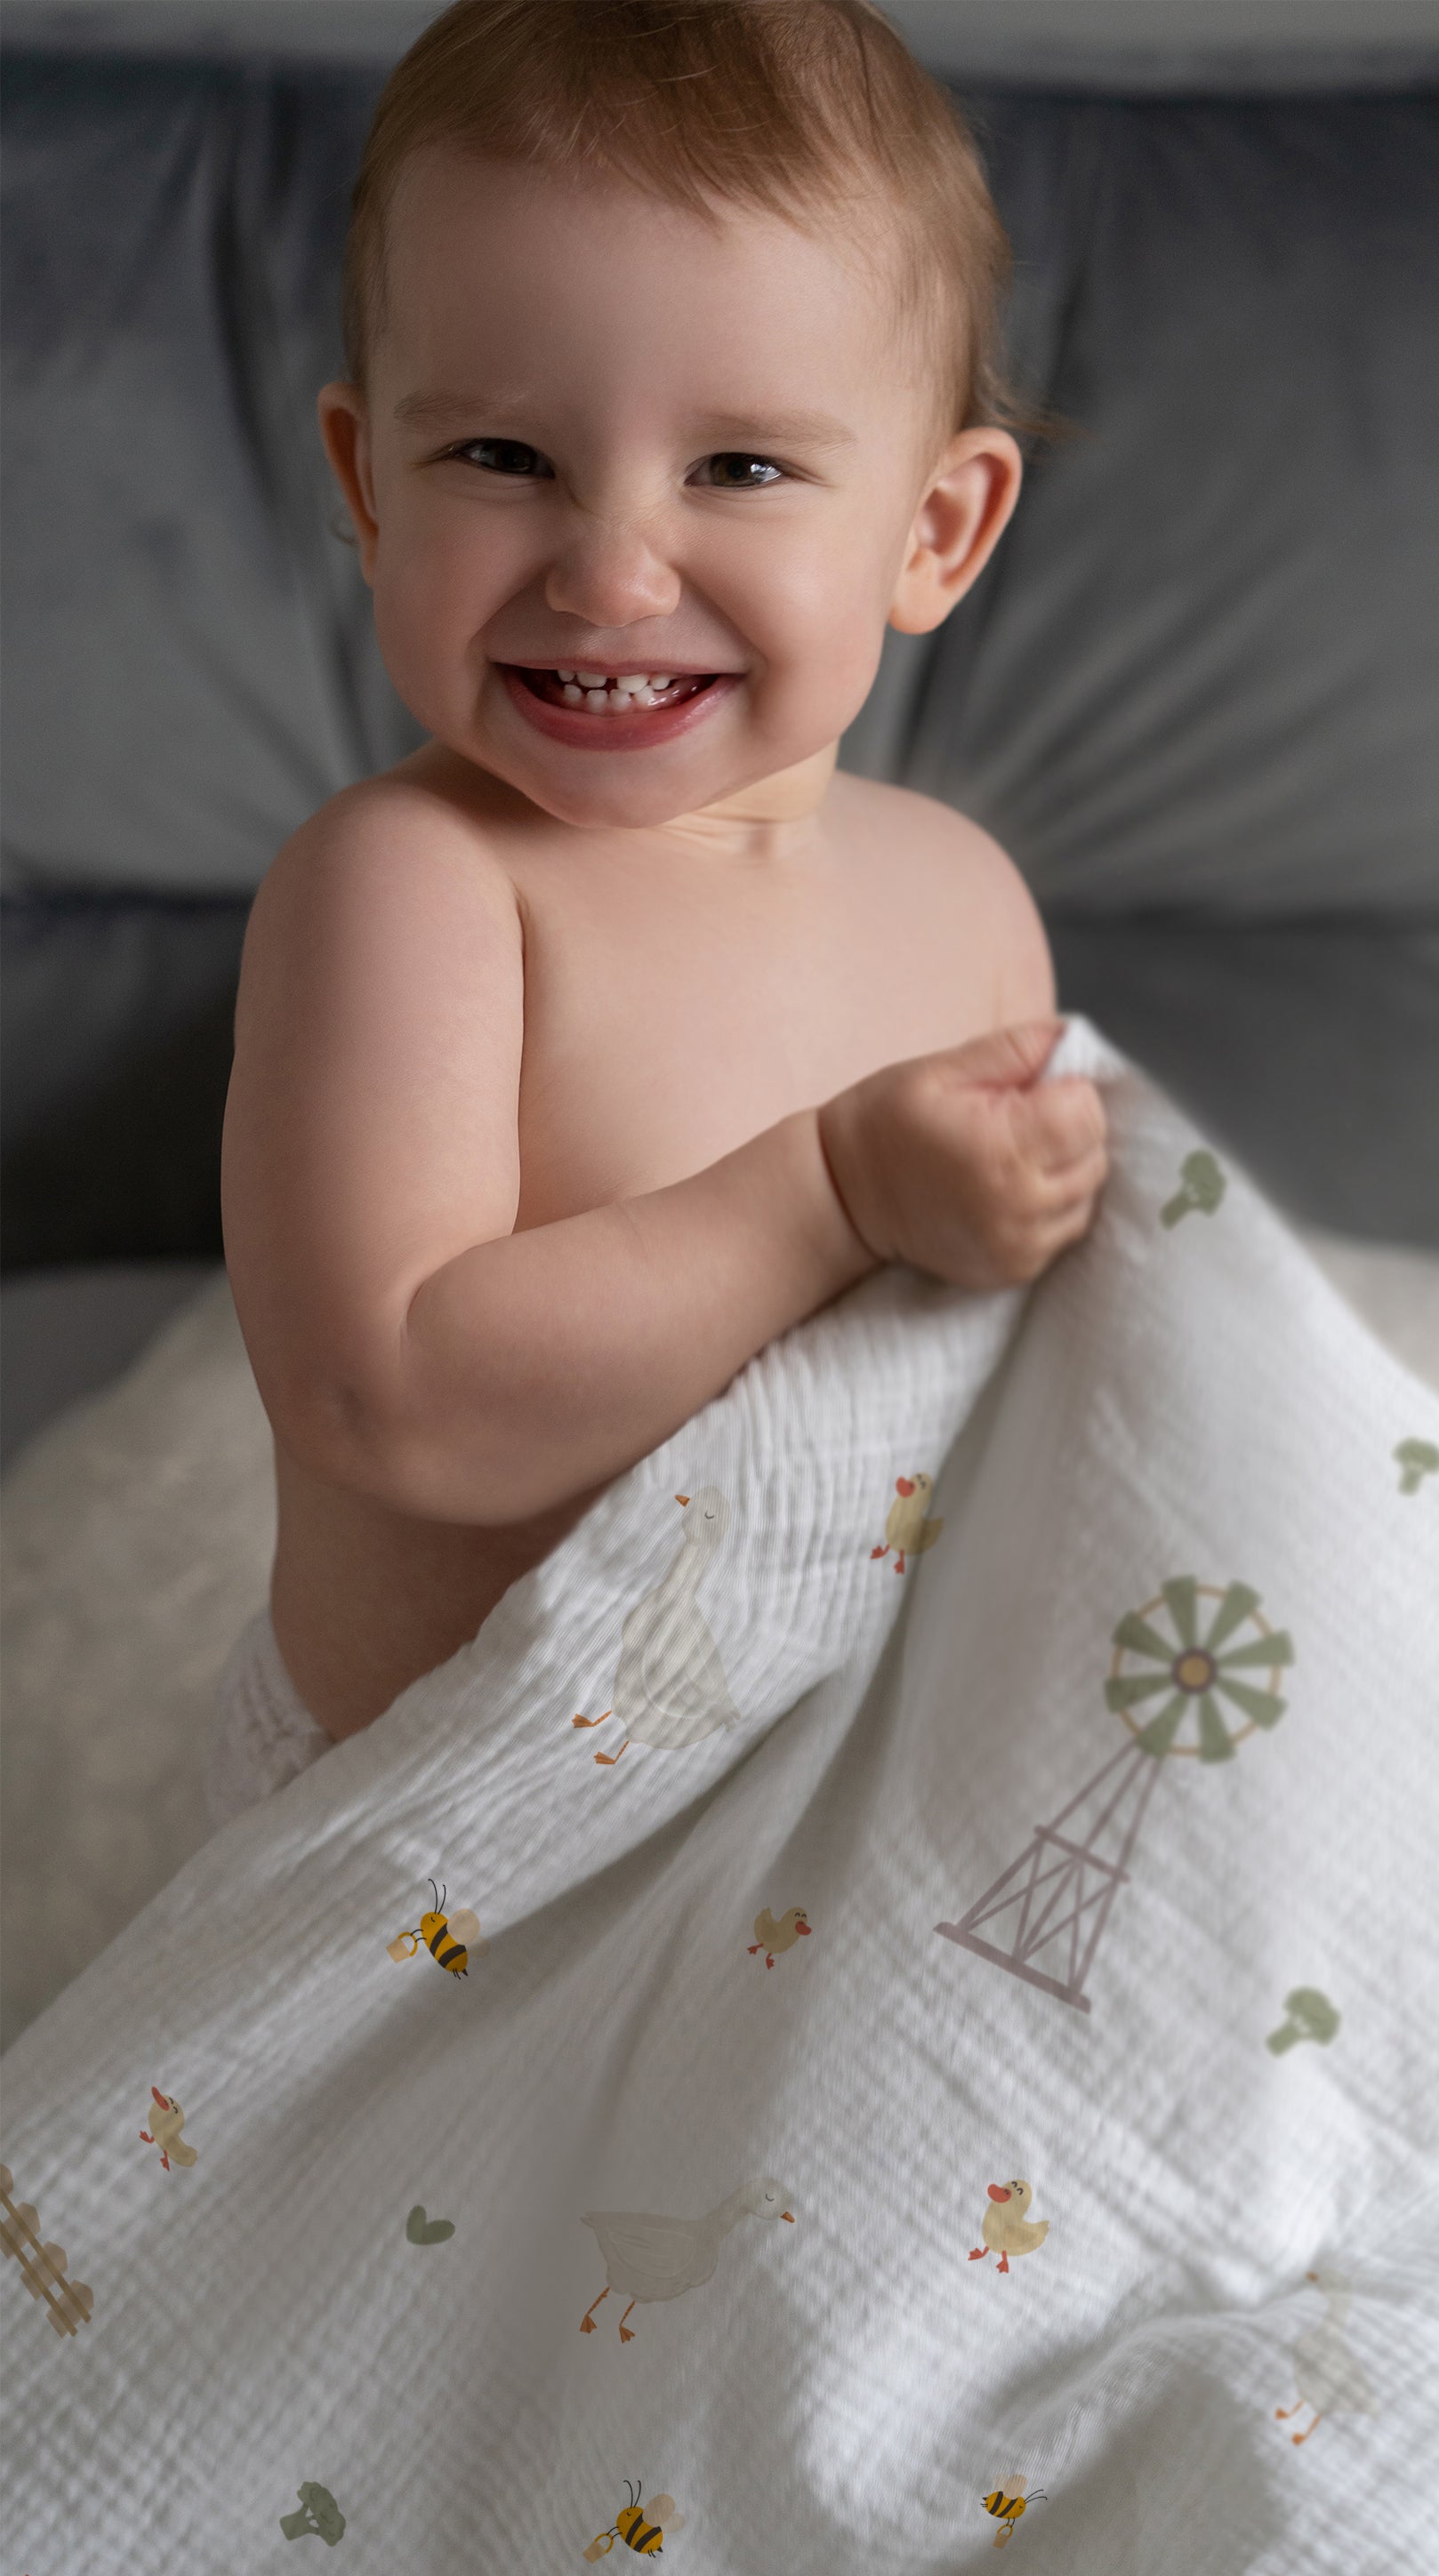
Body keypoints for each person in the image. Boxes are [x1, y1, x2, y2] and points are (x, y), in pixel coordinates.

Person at [211, 0, 1108, 1806]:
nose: (611, 574)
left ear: (933, 531)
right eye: (502, 459)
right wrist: (835, 1193)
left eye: (739, 469)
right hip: (454, 1845)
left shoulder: (963, 895)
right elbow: (387, 1396)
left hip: (813, 1812)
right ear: (368, 487)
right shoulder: (413, 885)